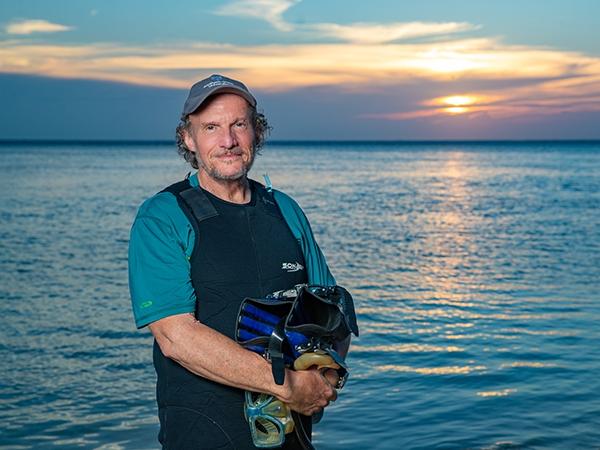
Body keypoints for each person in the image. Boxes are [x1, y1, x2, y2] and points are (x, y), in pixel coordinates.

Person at [128, 74, 345, 449]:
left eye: (238, 125)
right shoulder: (162, 216)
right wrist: (289, 385)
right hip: (204, 436)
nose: (227, 141)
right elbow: (176, 337)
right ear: (189, 139)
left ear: (256, 133)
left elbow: (331, 314)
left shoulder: (285, 209)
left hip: (291, 436)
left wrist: (324, 380)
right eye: (211, 127)